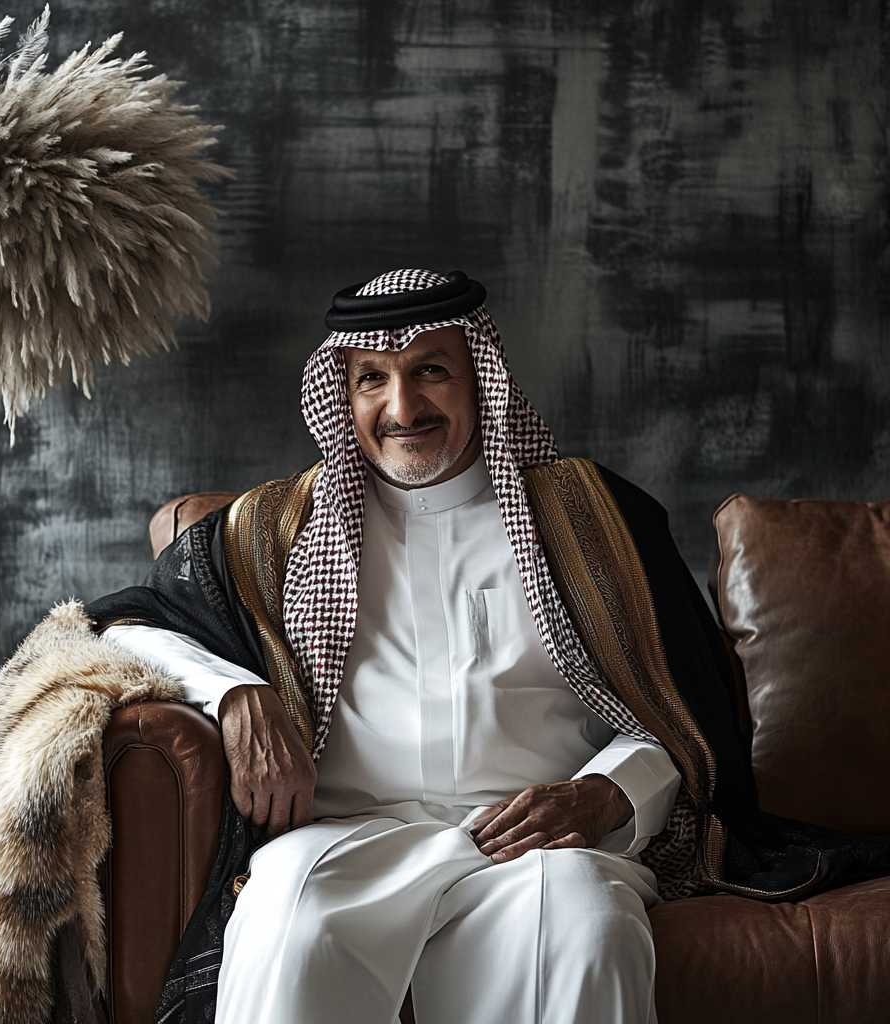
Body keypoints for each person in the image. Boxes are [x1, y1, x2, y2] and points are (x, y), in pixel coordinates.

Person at [87, 268, 886, 1024]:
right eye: (372, 378)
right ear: (343, 392)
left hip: (540, 841)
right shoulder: (274, 530)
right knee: (288, 923)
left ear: (479, 376)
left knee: (586, 934)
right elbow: (127, 625)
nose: (401, 405)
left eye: (430, 370)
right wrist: (238, 695)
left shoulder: (590, 519)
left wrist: (610, 793)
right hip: (347, 841)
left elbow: (683, 708)